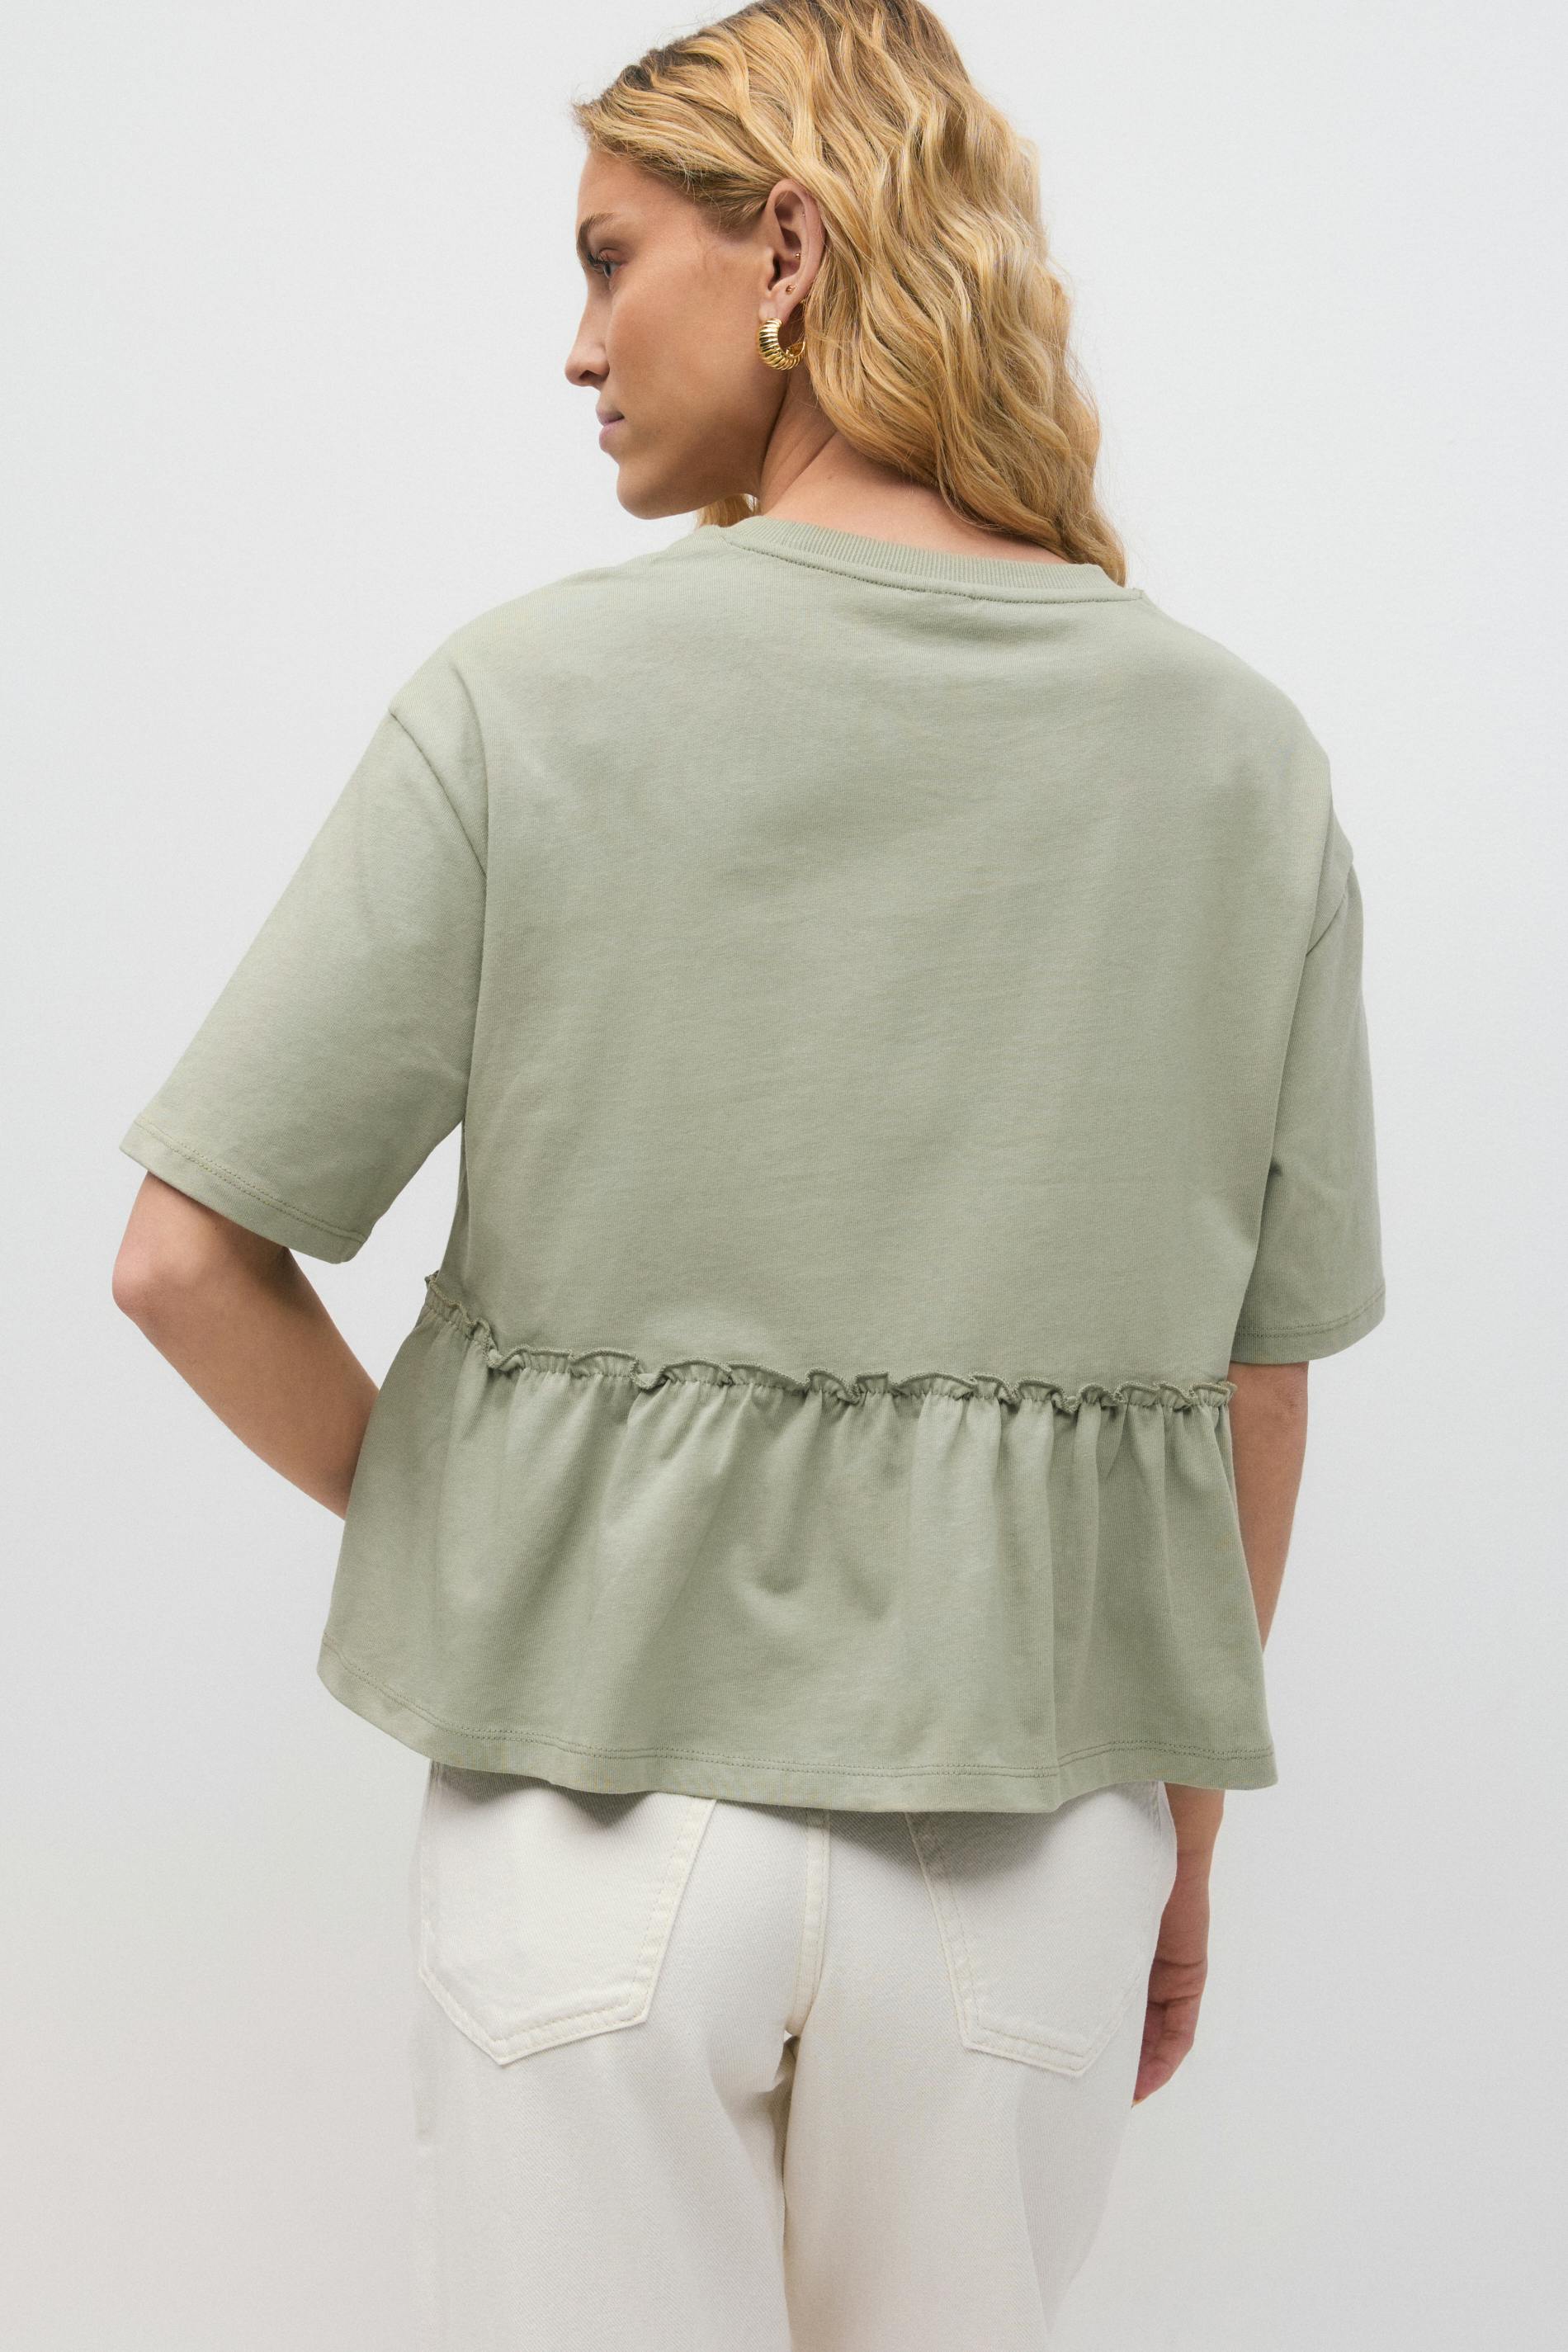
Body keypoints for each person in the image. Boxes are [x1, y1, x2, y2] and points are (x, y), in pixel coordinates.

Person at [111, 2, 1386, 2345]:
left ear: (786, 249)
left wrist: (495, 1530)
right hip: (1033, 1844)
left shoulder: (525, 700)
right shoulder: (1240, 759)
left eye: (612, 258)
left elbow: (186, 1259)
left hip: (589, 1823)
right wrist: (1183, 1836)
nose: (577, 342)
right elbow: (1259, 1386)